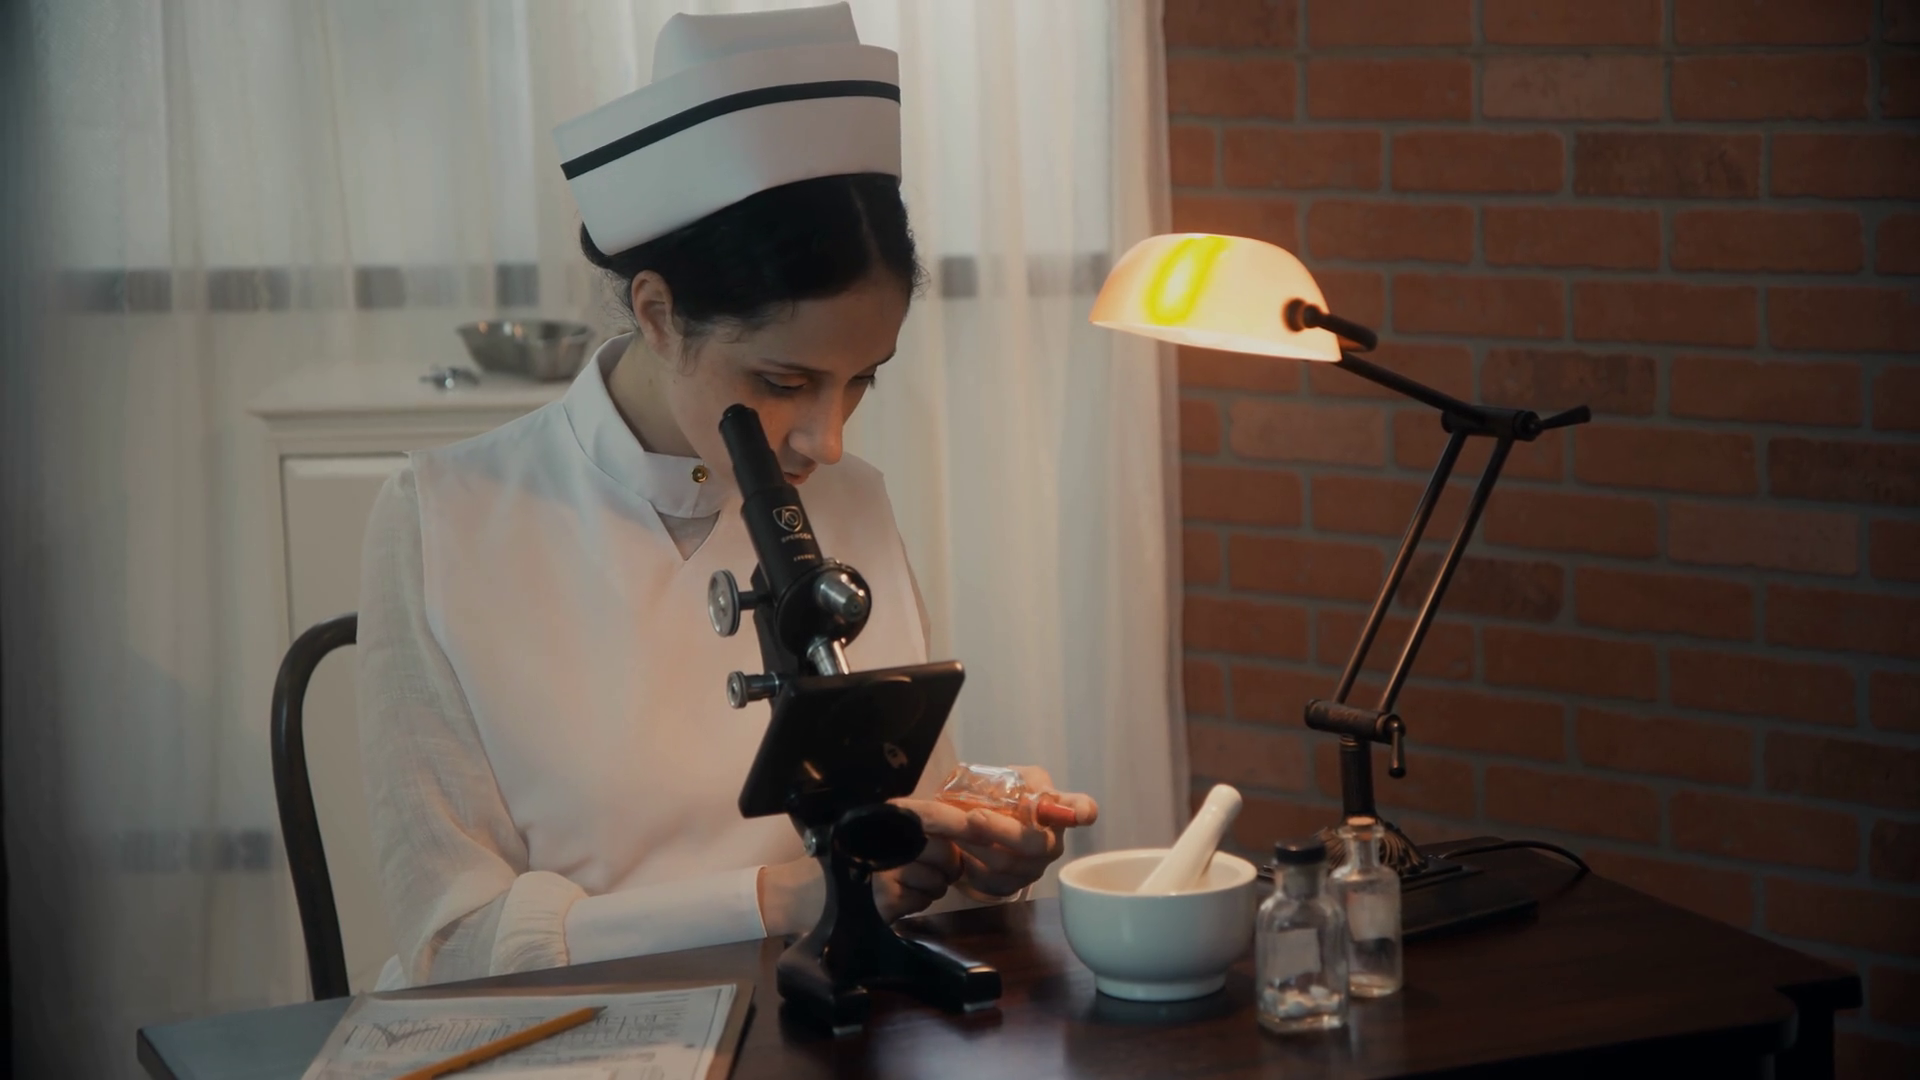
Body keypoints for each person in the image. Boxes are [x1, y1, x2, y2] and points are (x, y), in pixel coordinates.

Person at [357, 2, 1096, 990]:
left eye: (862, 381)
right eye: (785, 381)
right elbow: (452, 943)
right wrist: (777, 900)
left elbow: (902, 817)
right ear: (659, 314)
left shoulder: (853, 499)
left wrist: (977, 833)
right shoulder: (444, 522)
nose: (827, 441)